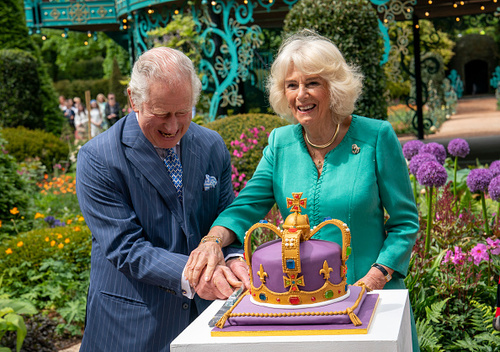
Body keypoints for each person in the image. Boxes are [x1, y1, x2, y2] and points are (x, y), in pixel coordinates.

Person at [185, 30, 420, 351]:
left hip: (371, 300)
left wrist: (376, 276)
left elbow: (405, 222)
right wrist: (211, 241)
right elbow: (245, 208)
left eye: (312, 83)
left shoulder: (376, 136)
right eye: (291, 85)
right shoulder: (280, 144)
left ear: (334, 86)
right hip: (302, 305)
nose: (301, 95)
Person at [75, 46, 249, 352]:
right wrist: (197, 274)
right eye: (161, 113)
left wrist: (234, 258)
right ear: (133, 100)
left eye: (182, 112)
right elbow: (125, 248)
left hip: (206, 321)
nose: (172, 127)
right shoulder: (98, 157)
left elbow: (226, 217)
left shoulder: (211, 145)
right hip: (132, 327)